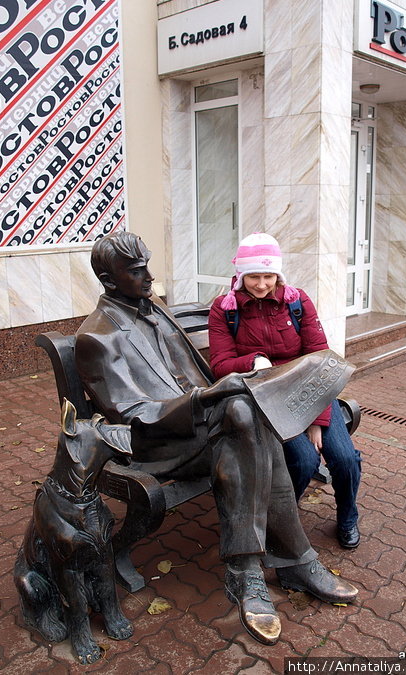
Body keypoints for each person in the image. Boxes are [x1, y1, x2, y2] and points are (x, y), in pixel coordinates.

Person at [75, 231, 358, 647]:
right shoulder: (97, 337)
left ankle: (255, 572)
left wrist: (223, 391)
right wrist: (207, 398)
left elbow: (203, 373)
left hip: (203, 423)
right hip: (158, 444)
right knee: (243, 417)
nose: (150, 277)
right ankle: (286, 563)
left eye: (147, 266)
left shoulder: (155, 312)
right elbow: (135, 416)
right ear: (109, 278)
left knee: (246, 414)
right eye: (137, 271)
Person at [208, 233, 362, 550]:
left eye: (268, 276)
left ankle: (348, 514)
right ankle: (280, 520)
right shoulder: (225, 309)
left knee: (344, 459)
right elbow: (220, 365)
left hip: (312, 392)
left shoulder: (296, 301)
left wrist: (317, 421)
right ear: (240, 274)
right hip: (267, 400)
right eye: (253, 276)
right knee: (305, 462)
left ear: (278, 274)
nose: (262, 284)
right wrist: (255, 360)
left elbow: (322, 361)